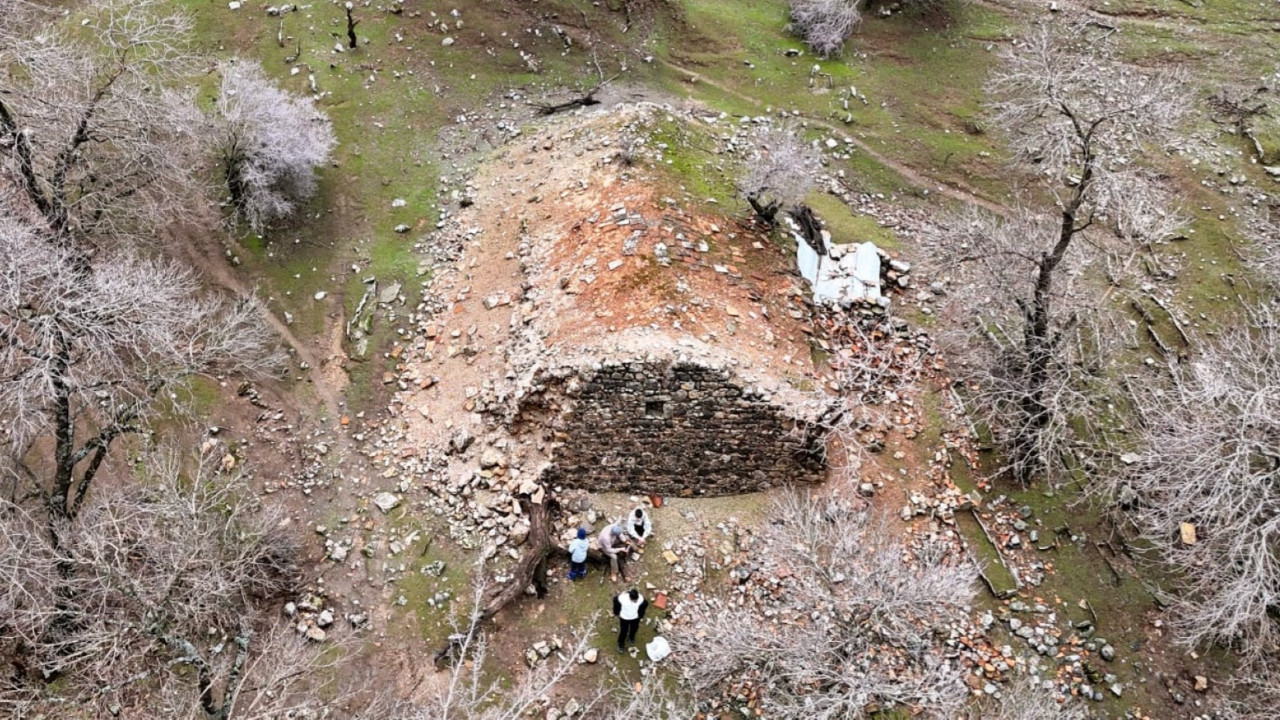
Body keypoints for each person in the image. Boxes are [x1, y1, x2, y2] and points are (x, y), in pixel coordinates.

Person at [612, 588, 647, 653]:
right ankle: (621, 644)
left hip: (635, 617)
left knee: (634, 628)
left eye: (636, 599)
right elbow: (615, 600)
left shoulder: (640, 599)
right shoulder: (622, 598)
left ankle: (631, 637)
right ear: (630, 598)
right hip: (624, 617)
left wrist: (641, 615)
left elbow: (645, 604)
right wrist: (616, 612)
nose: (636, 601)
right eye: (634, 600)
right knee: (624, 631)